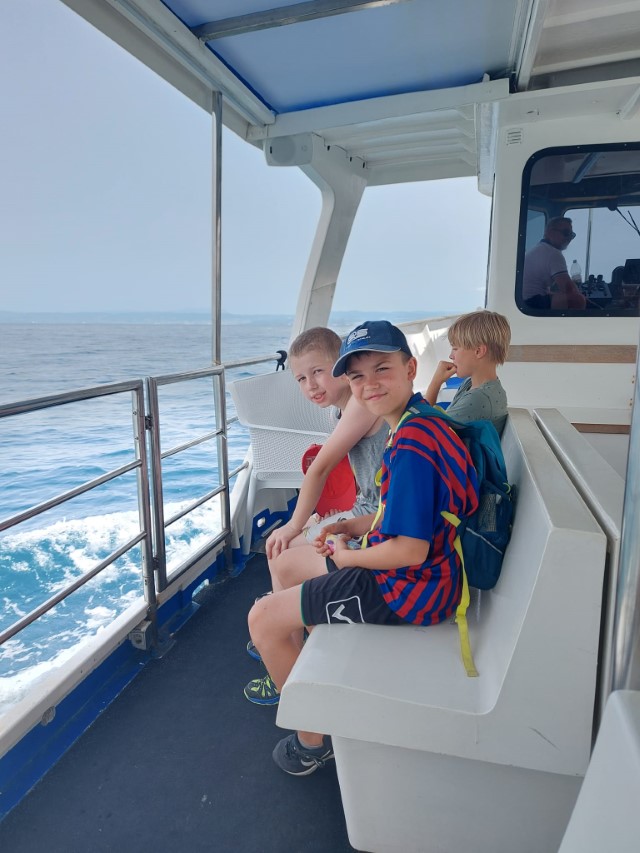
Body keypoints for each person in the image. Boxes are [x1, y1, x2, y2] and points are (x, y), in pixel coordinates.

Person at [247, 320, 479, 774]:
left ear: (410, 369)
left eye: (381, 369)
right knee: (286, 586)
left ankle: (314, 741)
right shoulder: (416, 423)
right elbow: (404, 513)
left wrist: (346, 554)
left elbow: (409, 552)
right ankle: (312, 673)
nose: (369, 385)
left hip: (411, 589)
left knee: (262, 619)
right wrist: (352, 525)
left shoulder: (412, 447)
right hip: (427, 572)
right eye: (357, 376)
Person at [243, 326, 389, 704]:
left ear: (340, 366)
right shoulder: (346, 406)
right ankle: (286, 647)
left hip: (374, 523)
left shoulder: (358, 404)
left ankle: (287, 656)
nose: (311, 385)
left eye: (318, 372)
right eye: (301, 379)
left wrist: (296, 524)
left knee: (282, 553)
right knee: (282, 550)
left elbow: (320, 468)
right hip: (367, 512)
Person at [424, 309, 511, 435]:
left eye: (455, 349)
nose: (451, 356)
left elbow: (424, 431)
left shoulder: (478, 399)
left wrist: (436, 382)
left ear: (478, 351)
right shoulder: (471, 384)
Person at [522, 216, 586, 310]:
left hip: (526, 300)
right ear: (550, 233)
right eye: (566, 233)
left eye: (571, 235)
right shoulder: (553, 253)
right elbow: (569, 289)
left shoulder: (540, 250)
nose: (569, 238)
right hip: (532, 303)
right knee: (577, 299)